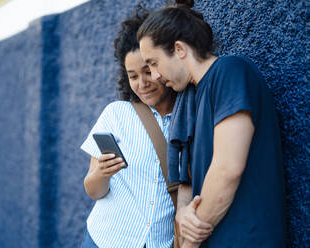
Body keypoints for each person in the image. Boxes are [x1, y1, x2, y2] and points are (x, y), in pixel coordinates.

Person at [137, 0, 287, 247]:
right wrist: (182, 211)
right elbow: (190, 178)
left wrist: (190, 243)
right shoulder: (190, 99)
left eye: (154, 63)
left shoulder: (231, 72)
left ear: (179, 49)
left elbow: (227, 169)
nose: (155, 76)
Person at [80, 7, 210, 248]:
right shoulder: (116, 114)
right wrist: (102, 173)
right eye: (133, 76)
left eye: (148, 71)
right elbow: (93, 190)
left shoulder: (190, 114)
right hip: (105, 240)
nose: (142, 83)